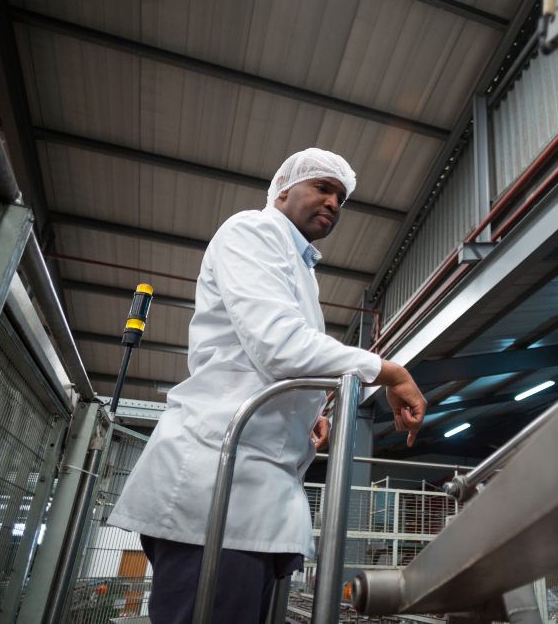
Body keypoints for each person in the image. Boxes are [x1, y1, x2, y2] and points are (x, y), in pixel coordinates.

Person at [108, 148, 427, 623]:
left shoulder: (298, 265)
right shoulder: (252, 231)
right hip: (217, 490)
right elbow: (279, 346)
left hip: (252, 498)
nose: (334, 202)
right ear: (283, 188)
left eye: (341, 196)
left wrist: (308, 411)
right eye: (322, 187)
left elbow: (268, 357)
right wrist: (390, 371)